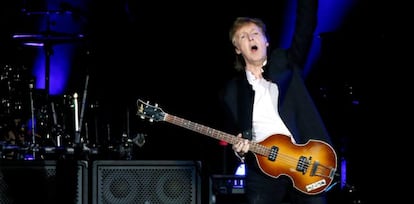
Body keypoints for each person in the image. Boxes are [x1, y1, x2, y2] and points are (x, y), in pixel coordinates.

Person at [218, 0, 335, 203]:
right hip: (263, 168)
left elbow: (305, 28)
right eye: (243, 36)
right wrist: (239, 148)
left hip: (303, 161)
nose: (250, 38)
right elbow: (236, 134)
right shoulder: (231, 92)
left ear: (266, 41)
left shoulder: (285, 64)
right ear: (237, 48)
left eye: (255, 33)